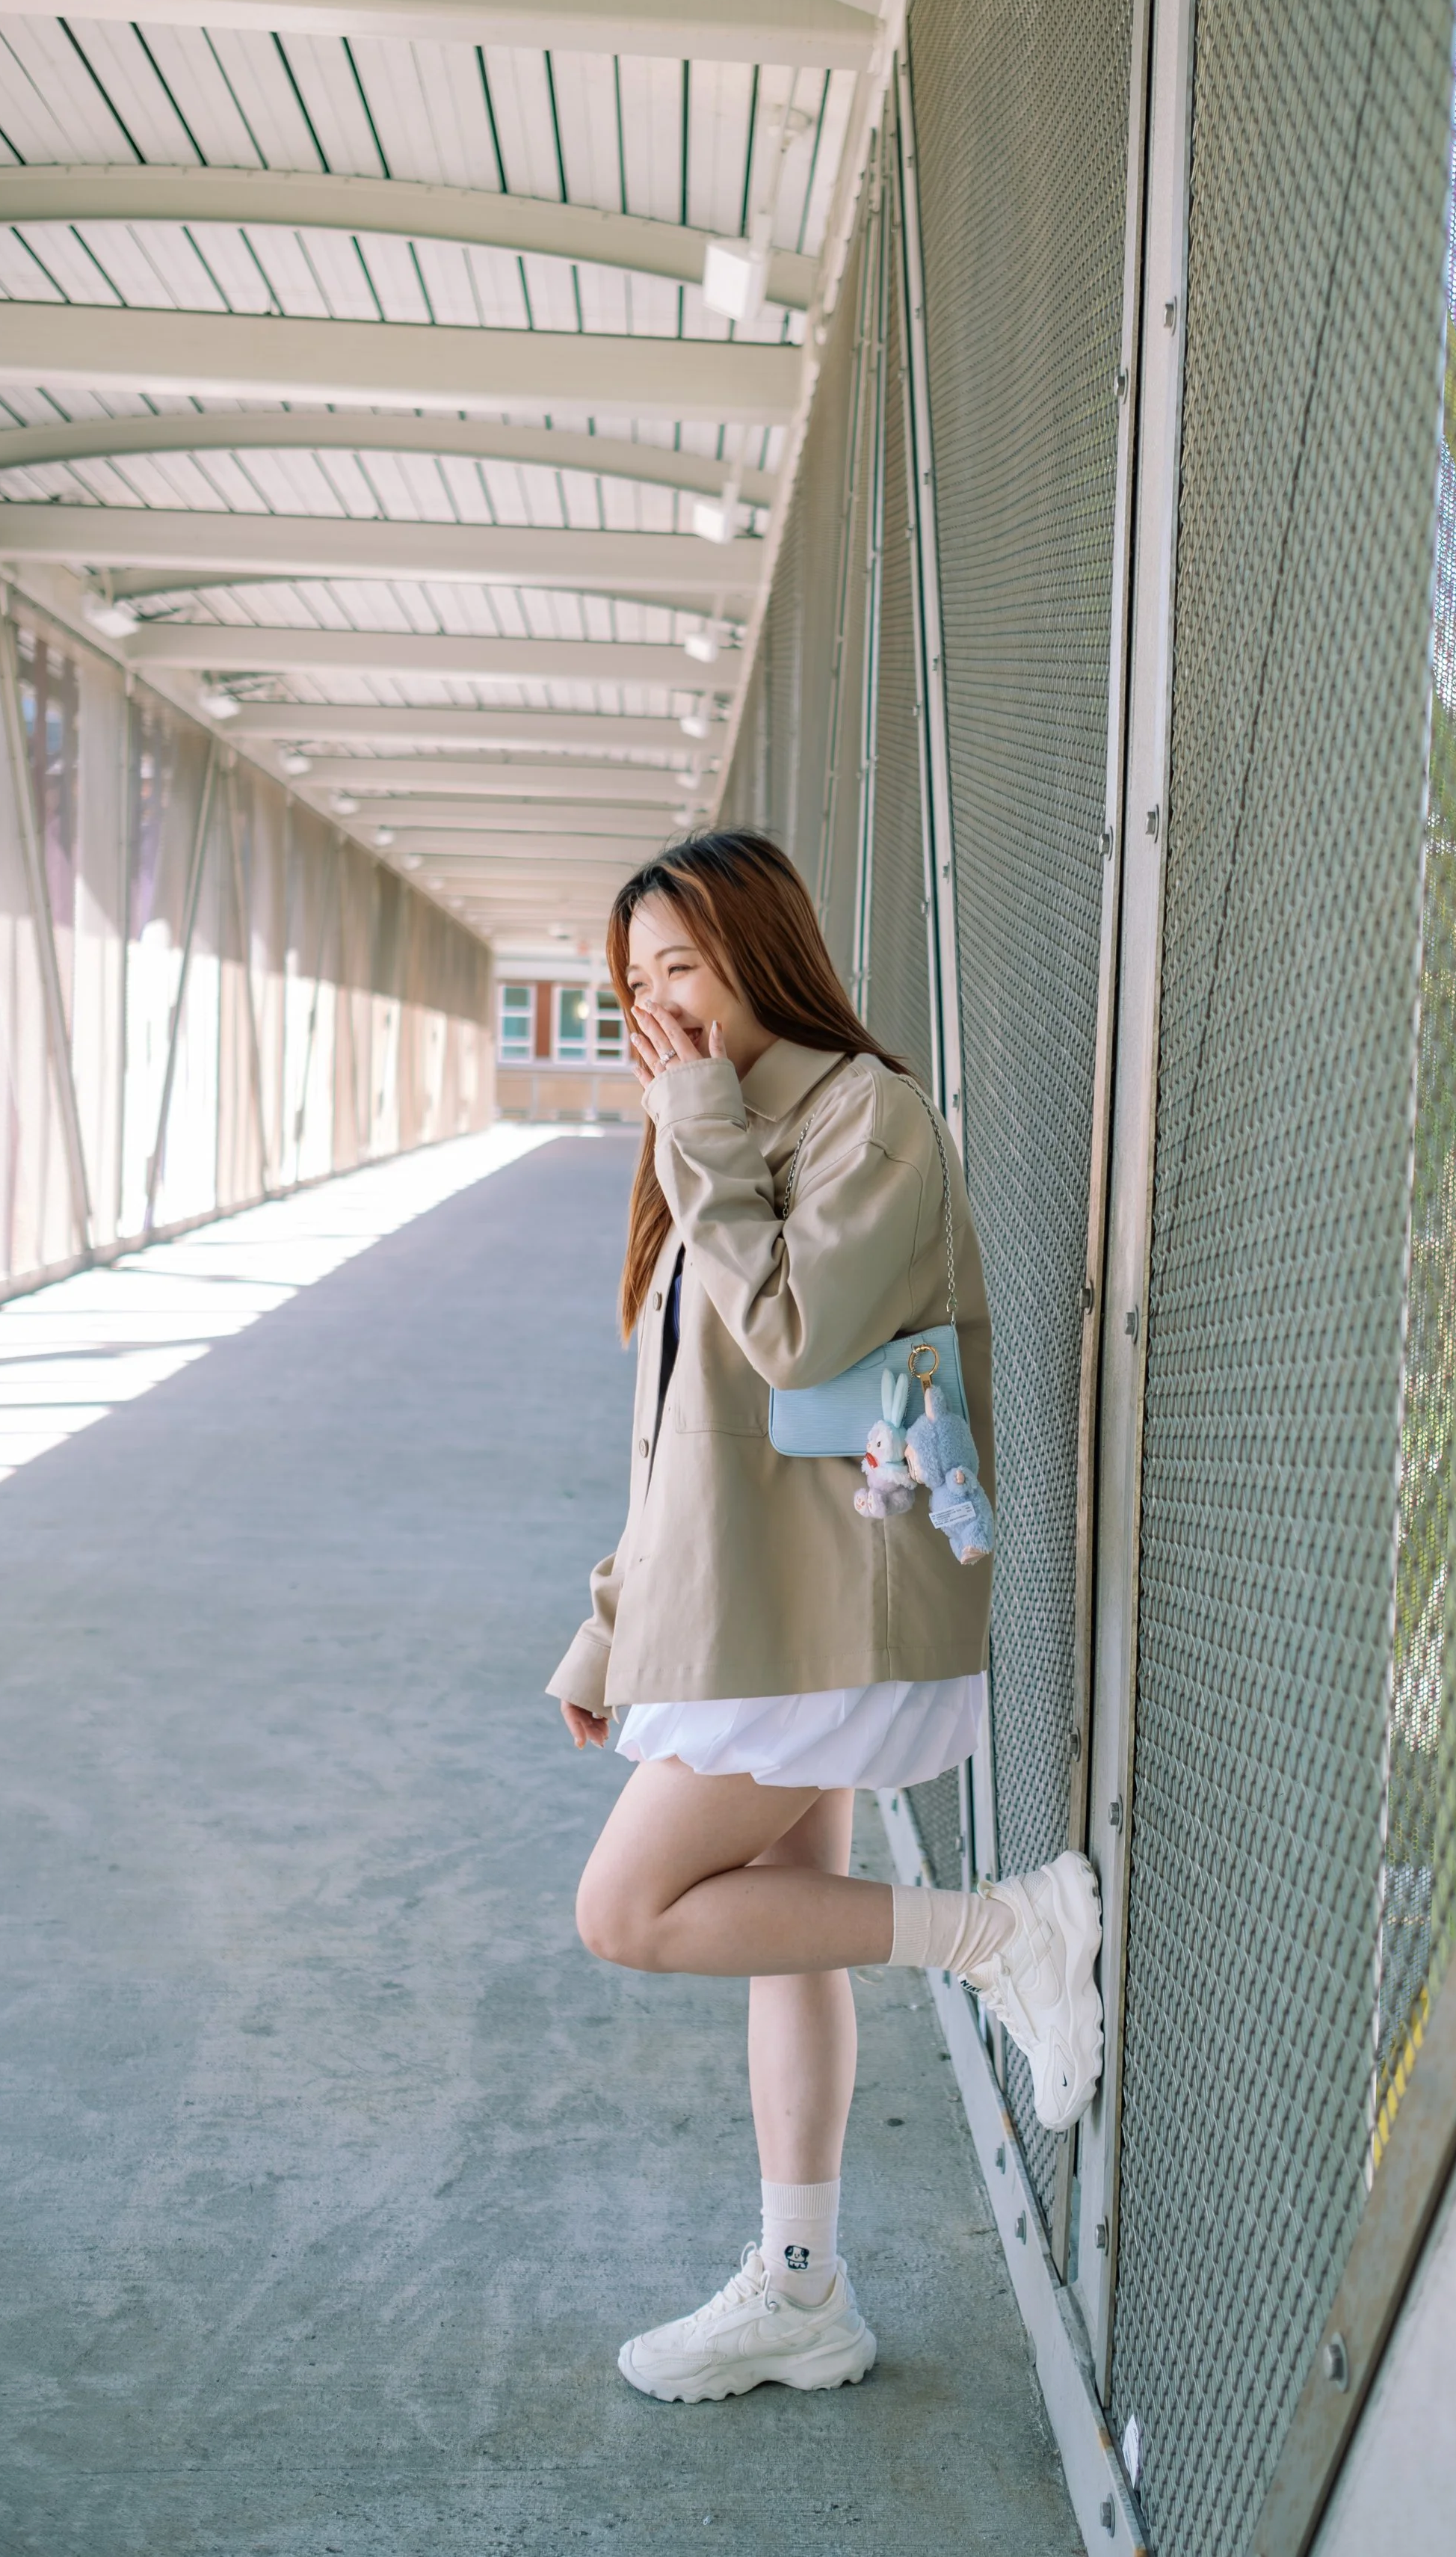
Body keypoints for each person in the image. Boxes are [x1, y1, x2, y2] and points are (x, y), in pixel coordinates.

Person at [547, 828, 1102, 2406]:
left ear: (760, 955)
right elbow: (682, 1438)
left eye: (683, 967)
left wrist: (696, 1129)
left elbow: (789, 1339)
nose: (659, 1005)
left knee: (628, 1910)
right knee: (784, 1942)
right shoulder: (698, 1132)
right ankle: (802, 2288)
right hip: (749, 1612)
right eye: (635, 979)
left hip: (836, 1613)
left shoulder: (867, 1120)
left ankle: (1003, 1930)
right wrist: (610, 1629)